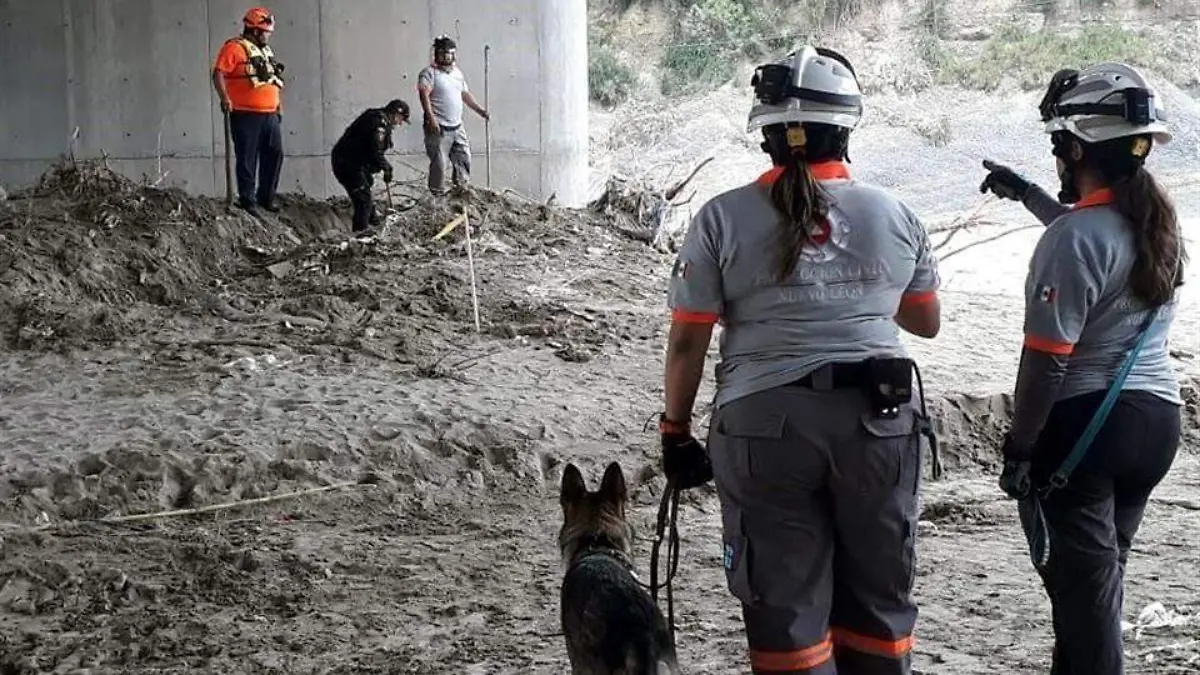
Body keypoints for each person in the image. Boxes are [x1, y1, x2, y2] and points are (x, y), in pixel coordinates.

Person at [660, 46, 942, 675]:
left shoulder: (720, 218)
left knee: (784, 605)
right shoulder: (896, 214)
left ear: (766, 135)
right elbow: (924, 322)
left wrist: (674, 430)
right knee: (878, 596)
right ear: (845, 128)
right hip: (880, 419)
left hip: (762, 426)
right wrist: (853, 287)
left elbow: (688, 341)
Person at [981, 62, 1187, 675]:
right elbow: (1092, 244)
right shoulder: (1159, 227)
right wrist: (1027, 196)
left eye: (1057, 148)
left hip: (1084, 427)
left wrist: (1020, 446)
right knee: (1093, 588)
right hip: (1154, 423)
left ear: (1074, 147)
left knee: (1087, 603)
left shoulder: (1075, 240)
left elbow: (1046, 363)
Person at [211, 7, 286, 216]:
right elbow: (218, 73)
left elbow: (271, 79)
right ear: (254, 30)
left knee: (275, 154)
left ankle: (266, 197)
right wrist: (224, 98)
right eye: (265, 32)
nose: (268, 36)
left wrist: (278, 104)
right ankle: (248, 199)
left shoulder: (265, 51)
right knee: (247, 157)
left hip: (270, 114)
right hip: (245, 114)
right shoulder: (234, 48)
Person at [417, 35, 490, 196]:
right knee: (439, 164)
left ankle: (461, 191)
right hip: (438, 127)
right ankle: (437, 197)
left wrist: (480, 111)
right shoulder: (429, 73)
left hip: (457, 126)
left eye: (449, 54)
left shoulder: (457, 73)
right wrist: (431, 118)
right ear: (436, 54)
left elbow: (464, 94)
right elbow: (424, 94)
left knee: (463, 158)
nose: (446, 57)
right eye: (442, 53)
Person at [331, 99, 411, 234]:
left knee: (367, 184)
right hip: (347, 164)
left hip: (354, 162)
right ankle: (360, 235)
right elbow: (375, 151)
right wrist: (387, 168)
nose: (400, 123)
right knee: (363, 201)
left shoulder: (377, 117)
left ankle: (374, 221)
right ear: (395, 114)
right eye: (401, 119)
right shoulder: (378, 124)